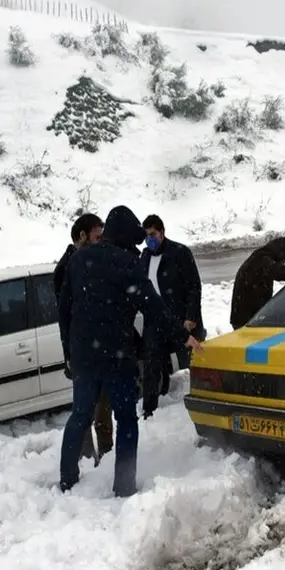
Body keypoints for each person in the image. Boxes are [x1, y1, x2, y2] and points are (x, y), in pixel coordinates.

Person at [58, 205, 203, 497]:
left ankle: (67, 479)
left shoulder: (79, 260)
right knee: (125, 419)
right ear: (126, 236)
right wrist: (182, 335)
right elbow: (152, 305)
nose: (138, 247)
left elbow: (64, 312)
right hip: (117, 356)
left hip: (85, 356)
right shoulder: (127, 263)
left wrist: (69, 353)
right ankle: (124, 485)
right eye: (135, 241)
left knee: (79, 416)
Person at [54, 213, 112, 466]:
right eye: (97, 237)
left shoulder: (97, 261)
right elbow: (65, 316)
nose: (100, 242)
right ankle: (88, 459)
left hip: (102, 348)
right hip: (83, 351)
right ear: (82, 236)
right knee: (84, 410)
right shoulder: (67, 267)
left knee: (104, 409)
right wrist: (69, 352)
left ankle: (108, 456)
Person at [139, 214, 205, 418]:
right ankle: (149, 410)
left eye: (153, 234)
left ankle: (202, 400)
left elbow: (194, 286)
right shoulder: (145, 257)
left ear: (162, 233)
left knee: (196, 359)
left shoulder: (179, 253)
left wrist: (191, 316)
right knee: (151, 366)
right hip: (155, 322)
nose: (149, 239)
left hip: (180, 318)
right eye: (146, 235)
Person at [230, 236, 285, 331]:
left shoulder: (260, 257)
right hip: (247, 319)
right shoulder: (262, 259)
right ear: (281, 253)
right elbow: (279, 272)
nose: (284, 263)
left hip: (247, 316)